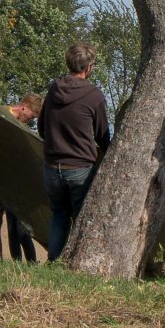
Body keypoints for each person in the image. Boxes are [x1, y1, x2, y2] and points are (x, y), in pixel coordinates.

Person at [39, 45, 111, 258]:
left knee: (59, 214)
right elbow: (102, 135)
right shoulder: (94, 95)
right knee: (81, 217)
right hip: (80, 167)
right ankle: (74, 262)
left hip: (52, 166)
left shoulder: (53, 89)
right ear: (89, 68)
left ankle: (53, 260)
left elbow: (42, 128)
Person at [6, 98, 43, 262]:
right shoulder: (1, 114)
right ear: (24, 107)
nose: (31, 120)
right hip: (8, 179)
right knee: (12, 226)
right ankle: (17, 263)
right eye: (32, 115)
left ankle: (31, 263)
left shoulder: (22, 127)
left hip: (21, 181)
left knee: (21, 227)